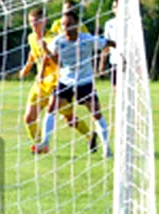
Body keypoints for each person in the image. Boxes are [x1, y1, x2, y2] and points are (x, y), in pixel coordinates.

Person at [33, 10, 115, 158]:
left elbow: (107, 43)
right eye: (63, 24)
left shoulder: (88, 39)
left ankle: (106, 148)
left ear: (77, 24)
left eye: (69, 24)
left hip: (85, 82)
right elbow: (53, 59)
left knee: (96, 113)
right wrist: (45, 51)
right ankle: (45, 142)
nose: (66, 27)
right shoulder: (58, 41)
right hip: (66, 81)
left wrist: (123, 48)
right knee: (51, 108)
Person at [19, 7, 92, 149]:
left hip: (55, 85)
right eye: (31, 23)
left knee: (69, 119)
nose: (33, 26)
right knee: (29, 118)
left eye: (36, 22)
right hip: (40, 86)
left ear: (44, 21)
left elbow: (58, 60)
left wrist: (46, 53)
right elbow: (33, 53)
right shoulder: (31, 37)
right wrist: (27, 67)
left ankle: (90, 135)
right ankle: (41, 145)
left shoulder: (52, 38)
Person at [100, 0, 120, 92]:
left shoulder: (131, 22)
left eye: (118, 6)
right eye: (114, 7)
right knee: (116, 88)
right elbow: (106, 44)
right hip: (114, 60)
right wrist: (102, 63)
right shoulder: (109, 24)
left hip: (128, 61)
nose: (116, 9)